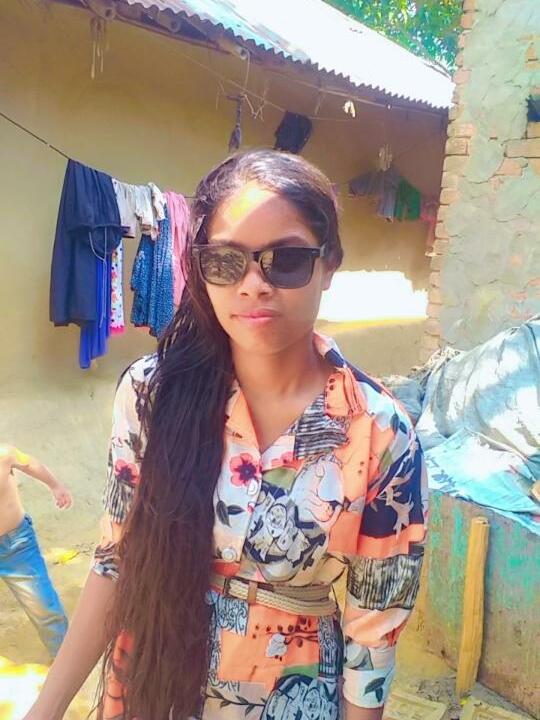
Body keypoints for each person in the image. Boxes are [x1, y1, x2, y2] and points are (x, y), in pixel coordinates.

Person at [24, 150, 427, 720]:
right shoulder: (153, 394)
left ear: (329, 264)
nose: (253, 285)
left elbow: (373, 640)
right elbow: (116, 562)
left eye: (286, 260)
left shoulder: (379, 432)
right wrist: (44, 710)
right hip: (154, 688)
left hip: (292, 699)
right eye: (226, 262)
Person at [0, 444, 72, 658]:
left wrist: (55, 486)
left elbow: (29, 463)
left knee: (43, 607)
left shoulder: (4, 454)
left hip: (16, 546)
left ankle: (64, 658)